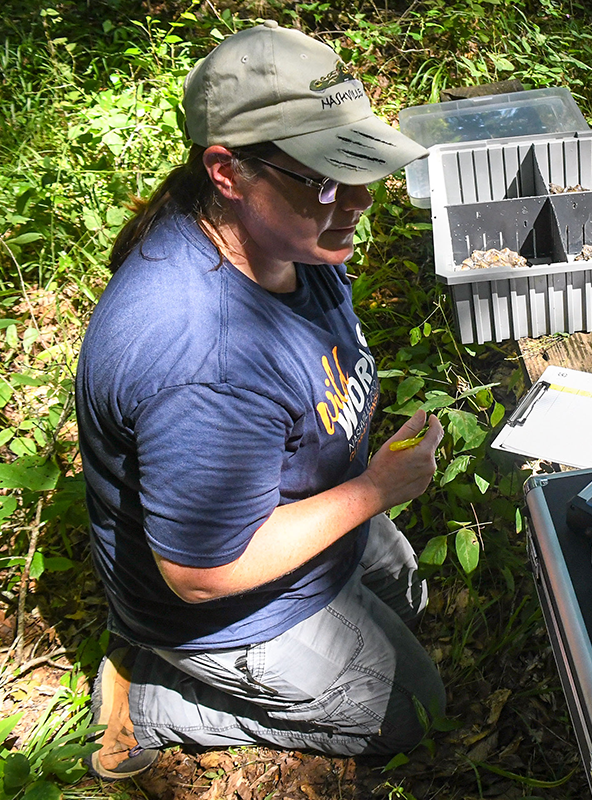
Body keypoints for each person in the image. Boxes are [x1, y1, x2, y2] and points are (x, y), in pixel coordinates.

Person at [75, 20, 446, 779]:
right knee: (415, 710)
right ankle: (146, 698)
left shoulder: (292, 240)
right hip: (218, 601)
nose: (358, 202)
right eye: (324, 178)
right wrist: (378, 488)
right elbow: (203, 573)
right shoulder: (201, 357)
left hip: (301, 505)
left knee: (409, 597)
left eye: (361, 169)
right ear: (227, 171)